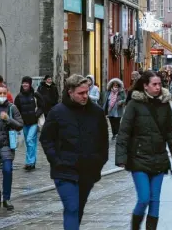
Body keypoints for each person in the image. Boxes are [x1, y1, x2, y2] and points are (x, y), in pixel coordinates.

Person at [116, 71, 172, 230]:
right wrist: (121, 157)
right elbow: (124, 132)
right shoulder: (134, 104)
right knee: (144, 198)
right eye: (154, 84)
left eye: (159, 84)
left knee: (155, 200)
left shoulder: (165, 104)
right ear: (145, 86)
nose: (158, 87)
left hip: (159, 158)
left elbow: (171, 134)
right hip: (139, 158)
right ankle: (135, 227)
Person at [40, 75, 109, 229]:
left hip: (87, 170)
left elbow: (103, 140)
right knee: (71, 207)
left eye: (87, 92)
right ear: (70, 92)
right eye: (81, 93)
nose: (85, 96)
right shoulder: (57, 112)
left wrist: (98, 162)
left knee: (78, 208)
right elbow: (46, 139)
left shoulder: (96, 112)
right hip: (64, 169)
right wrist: (55, 160)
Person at [14, 76, 45, 171]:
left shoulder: (35, 95)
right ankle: (32, 161)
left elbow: (42, 106)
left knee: (30, 140)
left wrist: (36, 115)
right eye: (24, 83)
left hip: (33, 122)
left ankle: (30, 162)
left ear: (30, 84)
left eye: (27, 83)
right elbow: (16, 110)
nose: (25, 84)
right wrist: (18, 120)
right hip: (24, 123)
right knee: (30, 143)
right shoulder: (19, 96)